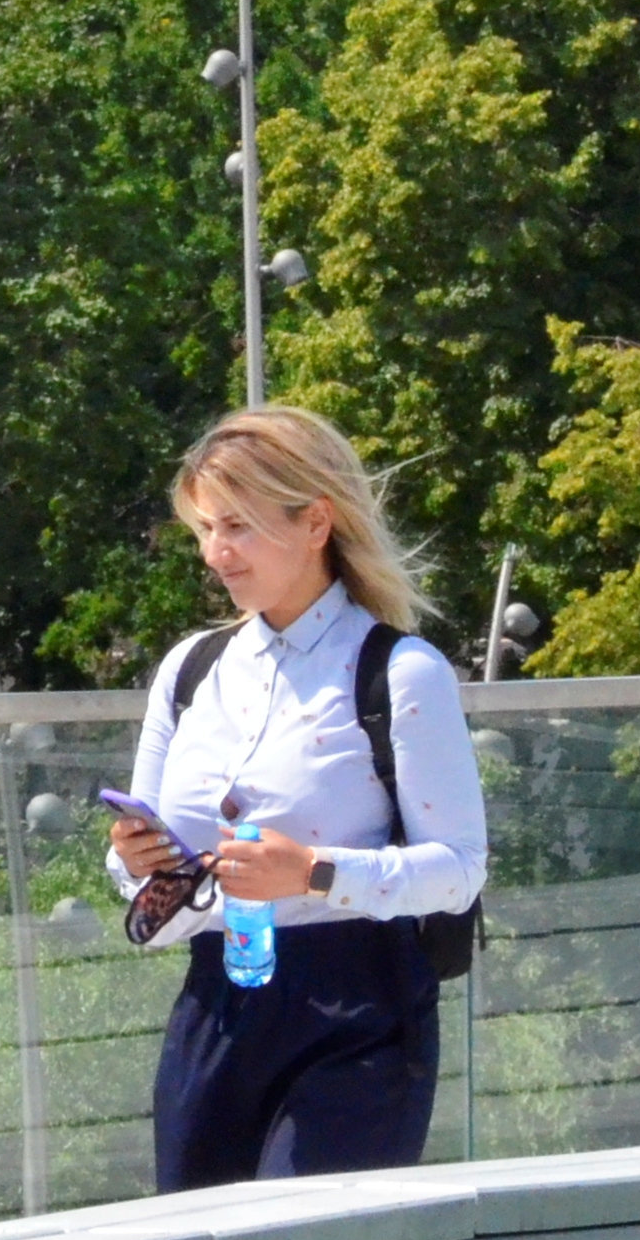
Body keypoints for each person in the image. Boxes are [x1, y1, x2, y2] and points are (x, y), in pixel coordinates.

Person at [108, 406, 486, 1188]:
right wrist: (135, 863)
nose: (215, 553)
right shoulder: (190, 669)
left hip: (358, 1006)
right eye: (205, 529)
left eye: (237, 527)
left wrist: (312, 870)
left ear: (316, 522)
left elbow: (459, 867)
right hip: (216, 997)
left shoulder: (401, 671)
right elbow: (140, 877)